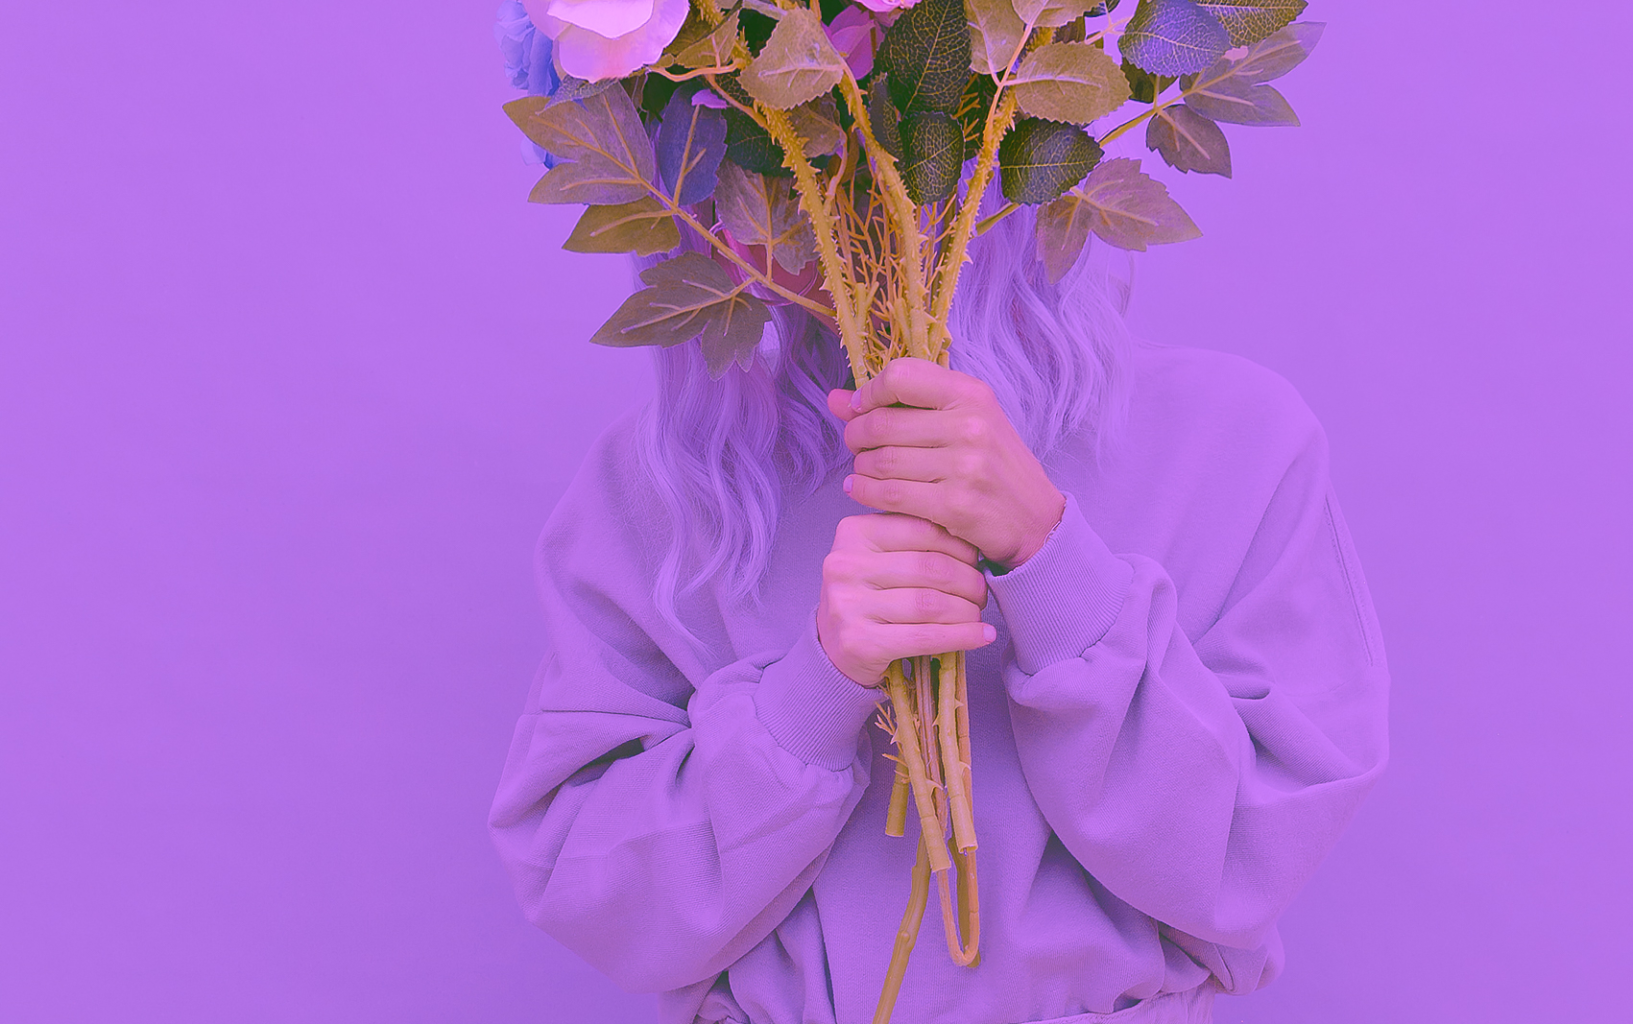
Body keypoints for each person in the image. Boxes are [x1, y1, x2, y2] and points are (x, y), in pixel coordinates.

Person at [488, 204, 1391, 1024]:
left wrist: (1049, 556)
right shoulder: (655, 497)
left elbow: (1248, 854)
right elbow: (593, 891)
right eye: (750, 130)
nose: (820, 183)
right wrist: (808, 696)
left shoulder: (1232, 442)